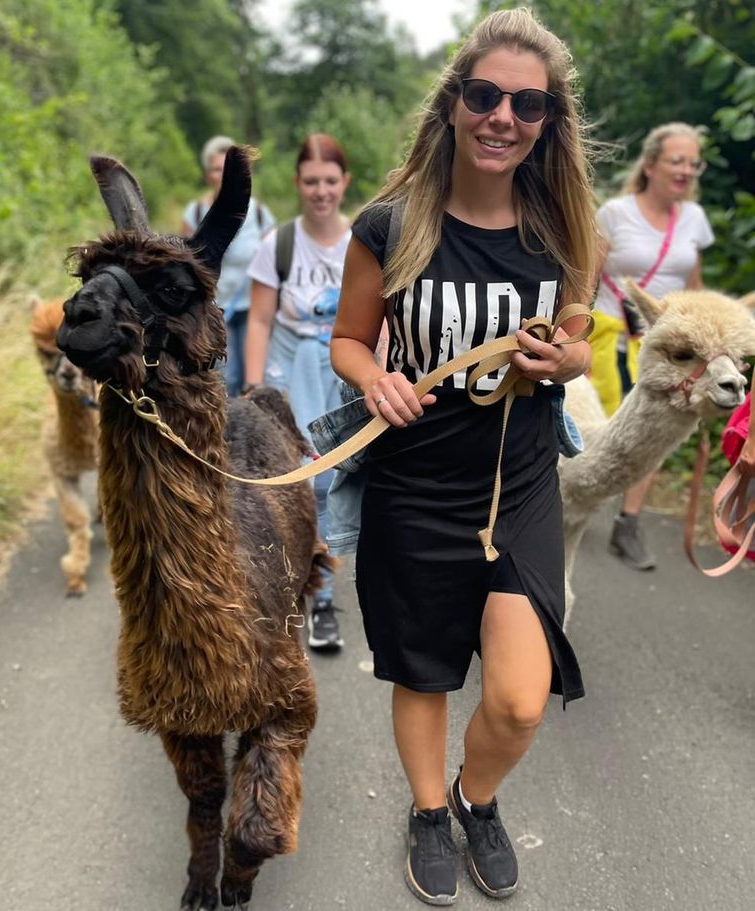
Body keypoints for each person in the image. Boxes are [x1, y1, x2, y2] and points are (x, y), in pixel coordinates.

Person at [330, 8, 597, 904]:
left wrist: (567, 359)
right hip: (412, 484)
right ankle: (424, 811)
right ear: (453, 103)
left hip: (516, 488)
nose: (502, 117)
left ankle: (472, 797)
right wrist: (376, 378)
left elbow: (577, 338)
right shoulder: (387, 226)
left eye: (527, 105)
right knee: (423, 667)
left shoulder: (562, 230)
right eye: (484, 96)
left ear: (547, 123)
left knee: (519, 698)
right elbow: (348, 340)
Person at [244, 133, 353, 652]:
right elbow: (260, 319)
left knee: (333, 485)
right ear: (297, 183)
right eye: (311, 181)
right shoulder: (279, 245)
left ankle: (323, 595)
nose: (321, 191)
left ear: (344, 182)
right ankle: (291, 591)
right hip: (289, 377)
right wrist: (255, 386)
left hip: (341, 377)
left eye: (329, 181)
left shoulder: (361, 243)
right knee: (293, 484)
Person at [590, 123, 714, 571]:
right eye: (677, 160)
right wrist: (574, 335)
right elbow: (587, 275)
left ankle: (628, 523)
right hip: (607, 336)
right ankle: (562, 496)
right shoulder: (616, 214)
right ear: (650, 164)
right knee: (596, 425)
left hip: (664, 347)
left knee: (656, 429)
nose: (686, 170)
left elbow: (694, 286)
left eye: (693, 163)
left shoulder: (694, 219)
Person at [181, 135, 275, 397]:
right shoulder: (194, 214)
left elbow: (273, 259)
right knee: (224, 375)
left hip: (253, 307)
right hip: (214, 310)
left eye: (227, 169)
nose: (221, 175)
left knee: (254, 376)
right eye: (215, 169)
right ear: (206, 174)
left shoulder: (259, 214)